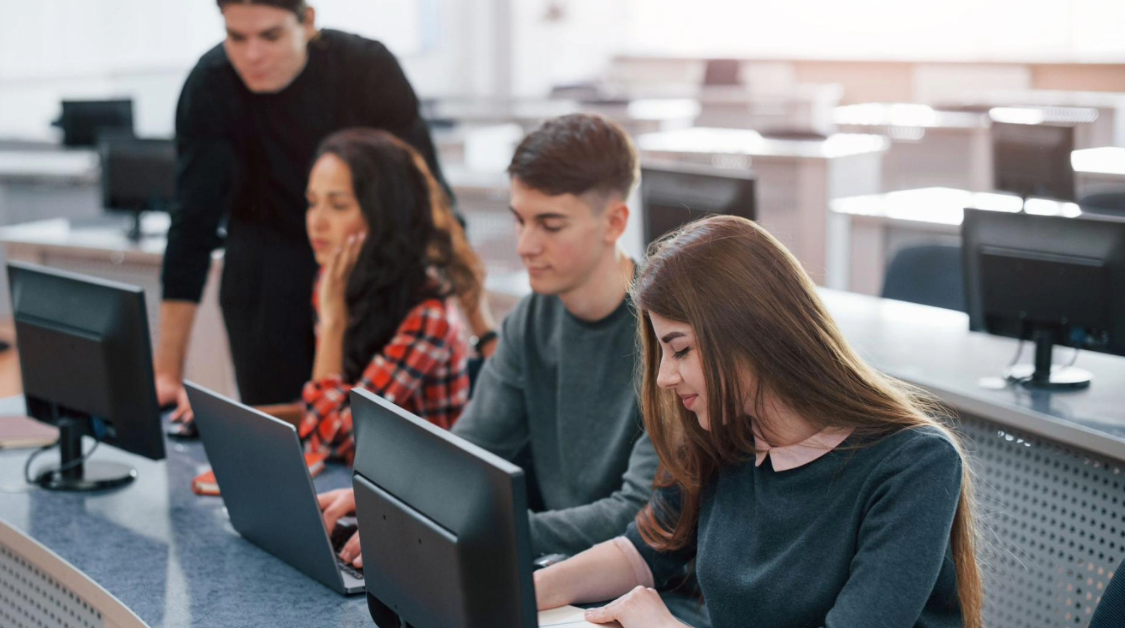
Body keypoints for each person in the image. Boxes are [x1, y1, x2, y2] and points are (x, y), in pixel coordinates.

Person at [534, 215, 983, 628]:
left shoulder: (914, 464)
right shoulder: (723, 436)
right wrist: (528, 589)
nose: (664, 377)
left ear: (752, 335)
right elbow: (644, 551)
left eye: (682, 349)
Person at [317, 112, 660, 566]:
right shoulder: (530, 319)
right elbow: (468, 454)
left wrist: (473, 528)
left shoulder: (668, 336)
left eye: (550, 225)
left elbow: (640, 515)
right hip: (558, 566)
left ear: (614, 222)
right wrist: (391, 498)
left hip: (641, 585)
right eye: (519, 220)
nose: (525, 245)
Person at [154, 0, 493, 419]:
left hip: (368, 267)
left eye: (270, 36)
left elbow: (431, 198)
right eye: (236, 38)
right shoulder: (210, 84)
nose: (252, 55)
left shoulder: (365, 69)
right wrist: (166, 374)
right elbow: (191, 227)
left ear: (308, 21)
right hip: (264, 271)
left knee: (359, 427)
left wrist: (487, 336)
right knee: (279, 439)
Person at [264, 128, 475, 463]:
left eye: (338, 205)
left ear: (383, 215)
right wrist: (229, 416)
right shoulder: (340, 280)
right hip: (366, 479)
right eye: (312, 203)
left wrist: (333, 325)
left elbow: (331, 439)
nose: (316, 223)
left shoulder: (428, 315)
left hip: (420, 502)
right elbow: (329, 406)